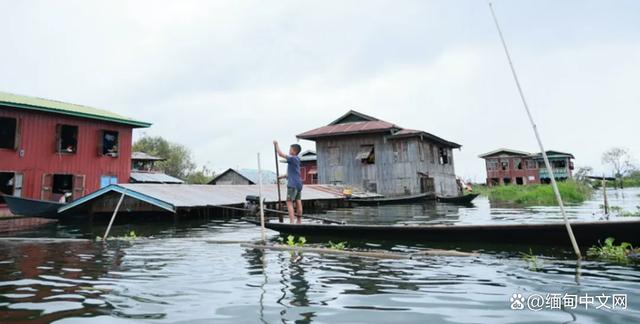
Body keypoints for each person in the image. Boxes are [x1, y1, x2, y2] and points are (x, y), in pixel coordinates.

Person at [273, 140, 303, 223]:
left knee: (289, 202)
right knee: (298, 202)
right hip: (298, 184)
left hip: (292, 185)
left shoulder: (292, 158)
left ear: (294, 151)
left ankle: (292, 222)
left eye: (290, 149)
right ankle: (299, 221)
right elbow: (291, 173)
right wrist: (281, 177)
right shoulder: (297, 159)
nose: (289, 151)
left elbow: (280, 154)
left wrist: (276, 144)